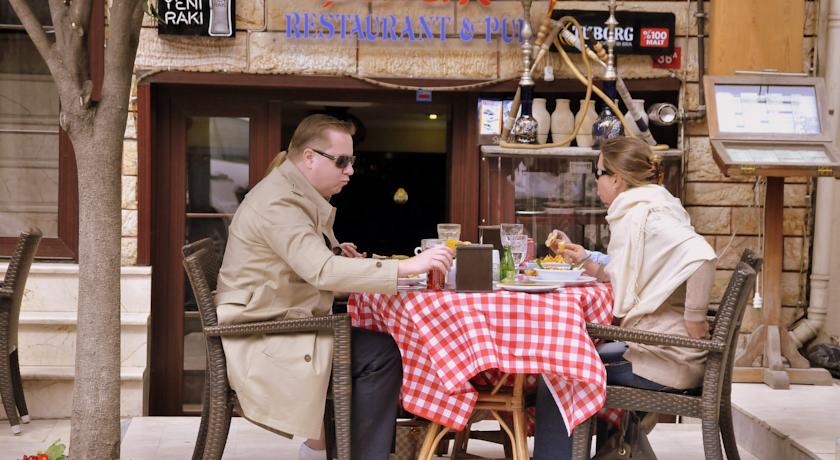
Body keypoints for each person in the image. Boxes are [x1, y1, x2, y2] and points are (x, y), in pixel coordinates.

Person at [215, 114, 454, 460]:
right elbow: (322, 272)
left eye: (352, 161)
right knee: (382, 355)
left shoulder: (290, 191)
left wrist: (334, 252)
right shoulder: (279, 202)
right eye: (342, 161)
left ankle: (330, 448)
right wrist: (405, 266)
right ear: (310, 157)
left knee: (379, 347)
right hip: (265, 337)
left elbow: (301, 263)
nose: (350, 171)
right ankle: (348, 453)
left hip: (282, 323)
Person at [534, 137, 717, 459]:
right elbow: (629, 271)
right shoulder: (648, 206)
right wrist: (584, 259)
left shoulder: (643, 213)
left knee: (559, 374)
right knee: (576, 360)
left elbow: (701, 256)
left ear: (616, 178)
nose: (596, 180)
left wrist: (695, 317)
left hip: (666, 359)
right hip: (659, 349)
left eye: (598, 172)